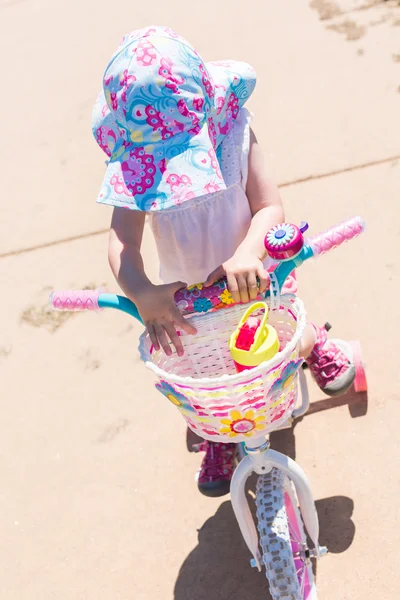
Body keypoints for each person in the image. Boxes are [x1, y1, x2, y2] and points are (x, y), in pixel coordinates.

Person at [92, 26, 355, 497]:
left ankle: (314, 344)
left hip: (254, 270)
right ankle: (222, 432)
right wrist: (141, 291)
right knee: (205, 370)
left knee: (278, 335)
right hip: (186, 291)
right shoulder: (138, 159)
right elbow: (122, 243)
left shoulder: (234, 133)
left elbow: (270, 207)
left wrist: (247, 253)